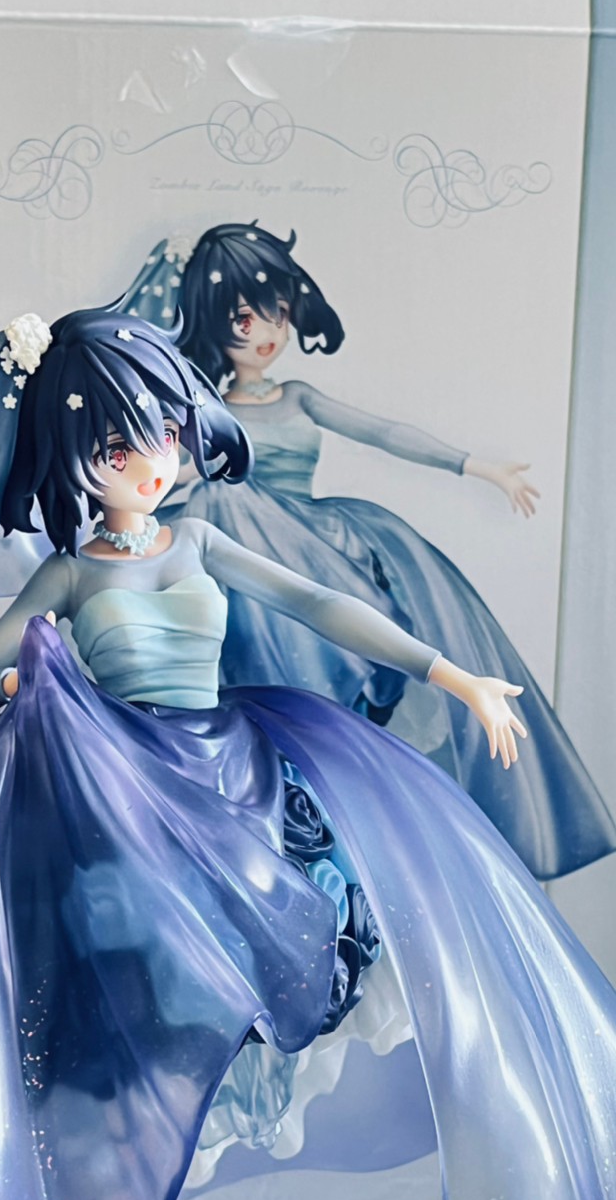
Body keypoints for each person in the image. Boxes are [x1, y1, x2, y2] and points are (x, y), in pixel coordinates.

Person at [0, 307, 616, 1200]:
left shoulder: (196, 539)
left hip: (227, 783)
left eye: (166, 435)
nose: (152, 463)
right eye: (117, 446)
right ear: (72, 460)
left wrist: (448, 674)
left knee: (220, 1009)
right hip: (109, 807)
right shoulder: (67, 576)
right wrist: (26, 674)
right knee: (101, 1074)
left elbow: (317, 600)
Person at [118, 223, 616, 878]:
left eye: (278, 313)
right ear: (214, 324)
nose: (267, 332)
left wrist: (475, 466)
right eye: (245, 319)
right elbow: (175, 471)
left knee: (254, 531)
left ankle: (337, 720)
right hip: (249, 557)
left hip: (319, 547)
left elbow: (381, 431)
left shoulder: (297, 397)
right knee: (223, 505)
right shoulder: (209, 414)